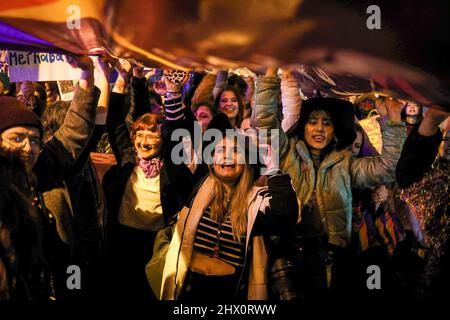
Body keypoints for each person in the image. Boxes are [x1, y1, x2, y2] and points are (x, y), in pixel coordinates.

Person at [252, 67, 406, 299]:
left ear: (335, 133)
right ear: (303, 127)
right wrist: (271, 74)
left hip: (332, 260)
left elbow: (385, 169)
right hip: (286, 255)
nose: (319, 129)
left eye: (326, 123)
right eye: (313, 122)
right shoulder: (285, 152)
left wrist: (392, 120)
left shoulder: (346, 164)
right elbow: (264, 123)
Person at [150, 127, 298, 301]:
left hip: (230, 292)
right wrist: (173, 101)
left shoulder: (256, 201)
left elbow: (285, 217)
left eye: (235, 151)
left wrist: (273, 170)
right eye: (220, 150)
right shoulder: (195, 187)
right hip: (187, 288)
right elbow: (173, 146)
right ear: (212, 160)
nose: (227, 156)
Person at [0, 55, 99, 299]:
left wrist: (87, 73)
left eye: (34, 140)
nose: (27, 147)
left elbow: (76, 128)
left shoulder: (42, 169)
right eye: (16, 138)